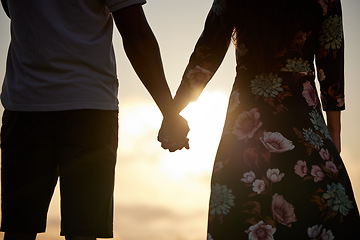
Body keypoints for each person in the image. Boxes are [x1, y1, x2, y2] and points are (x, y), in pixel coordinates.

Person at [159, 0, 360, 239]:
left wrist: (173, 112)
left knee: (242, 212)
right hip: (304, 120)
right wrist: (333, 132)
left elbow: (206, 55)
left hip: (246, 124)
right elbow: (331, 60)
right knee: (319, 213)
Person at [0, 0, 189, 240]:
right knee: (84, 230)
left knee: (19, 229)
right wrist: (169, 112)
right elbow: (136, 34)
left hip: (26, 105)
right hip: (90, 109)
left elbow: (10, 11)